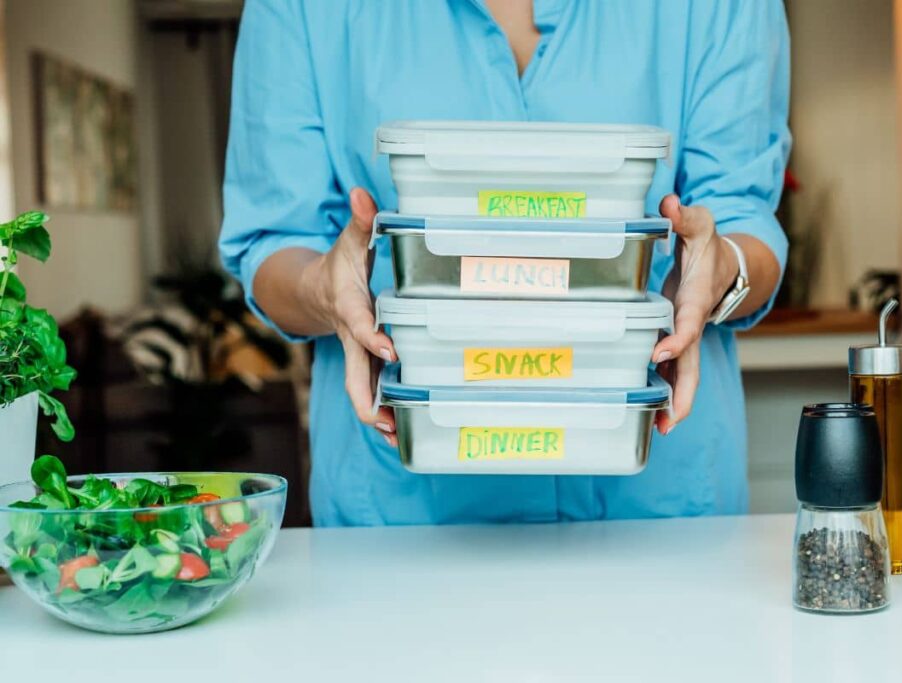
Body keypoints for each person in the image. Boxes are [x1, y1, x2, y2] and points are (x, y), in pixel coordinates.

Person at [220, 0, 790, 526]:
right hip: (400, 521)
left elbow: (741, 215)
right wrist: (325, 288)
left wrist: (721, 269)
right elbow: (275, 242)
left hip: (662, 513)